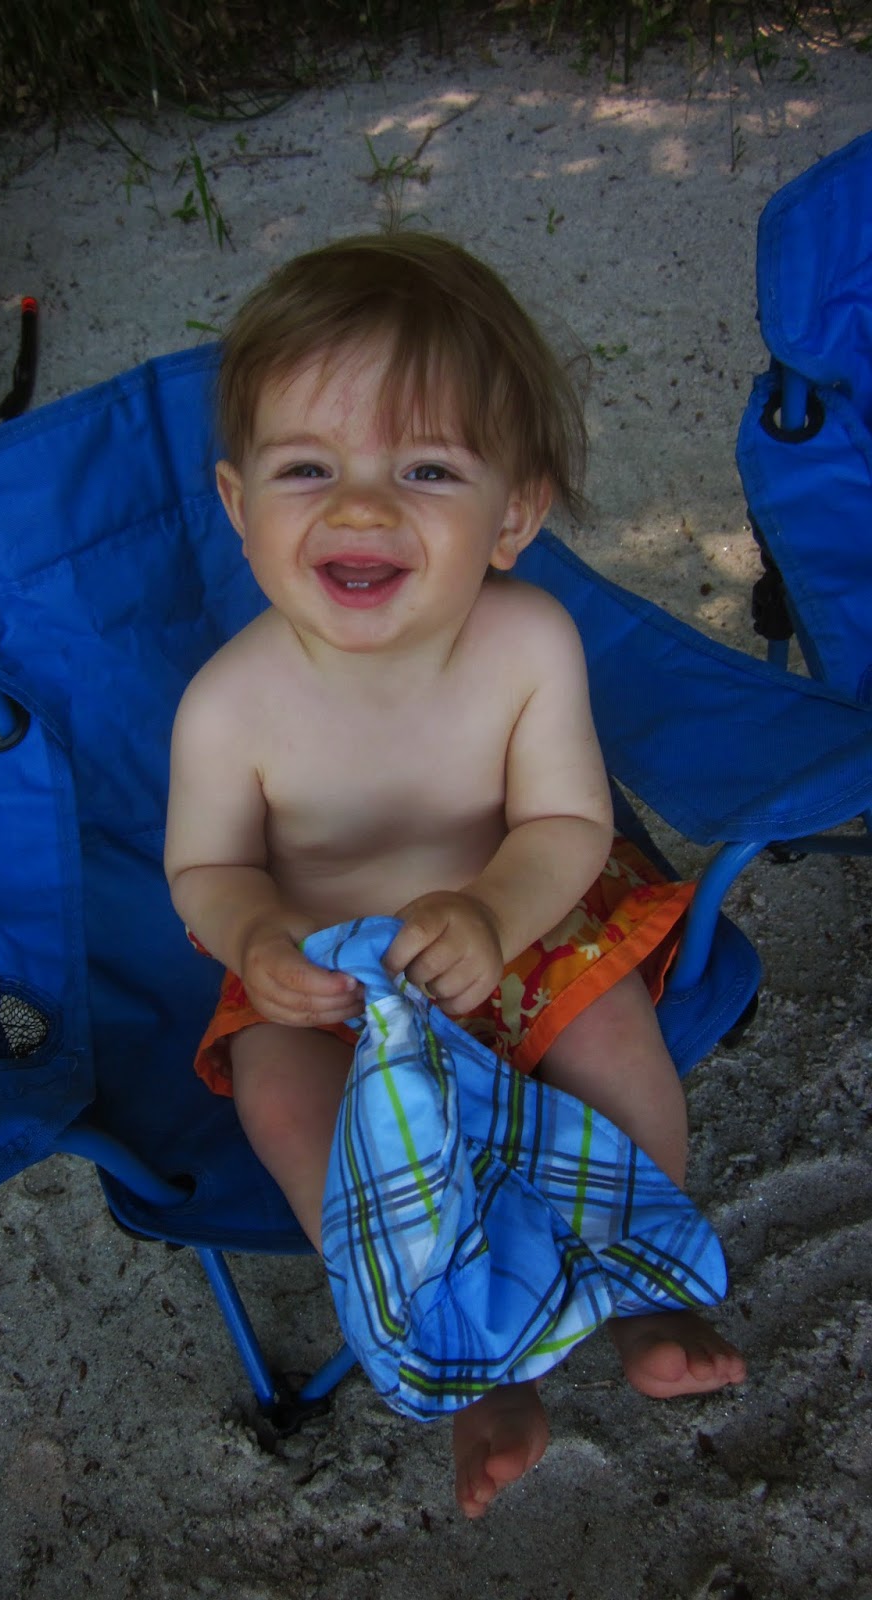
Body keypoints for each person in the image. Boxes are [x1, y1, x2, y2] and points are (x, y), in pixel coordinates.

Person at [163, 232, 746, 1518]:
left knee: (619, 1046)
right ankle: (477, 1365)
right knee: (285, 1106)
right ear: (238, 507)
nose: (361, 510)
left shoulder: (527, 644)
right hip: (325, 978)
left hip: (517, 925)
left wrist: (492, 909)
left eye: (426, 470)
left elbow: (568, 822)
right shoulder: (229, 705)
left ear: (513, 516)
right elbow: (206, 865)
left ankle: (641, 1287)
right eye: (307, 469)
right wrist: (257, 937)